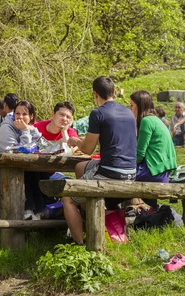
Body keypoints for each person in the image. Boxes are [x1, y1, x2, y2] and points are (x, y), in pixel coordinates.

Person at [65, 76, 137, 245]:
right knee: (81, 167)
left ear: (94, 94)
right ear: (113, 92)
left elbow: (87, 149)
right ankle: (90, 217)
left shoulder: (98, 113)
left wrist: (76, 141)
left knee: (67, 199)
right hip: (131, 172)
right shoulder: (127, 112)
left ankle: (80, 244)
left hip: (110, 172)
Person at [0, 100, 45, 219]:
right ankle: (28, 211)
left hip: (15, 166)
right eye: (17, 113)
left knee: (38, 172)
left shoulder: (24, 128)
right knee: (27, 173)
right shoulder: (6, 129)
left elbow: (41, 144)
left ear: (31, 116)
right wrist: (25, 131)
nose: (20, 117)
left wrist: (30, 129)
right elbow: (18, 151)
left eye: (24, 114)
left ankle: (41, 210)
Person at [130, 91, 177, 196]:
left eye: (132, 105)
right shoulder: (155, 119)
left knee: (116, 175)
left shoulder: (146, 121)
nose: (130, 108)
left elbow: (139, 155)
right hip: (163, 171)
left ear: (140, 106)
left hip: (154, 171)